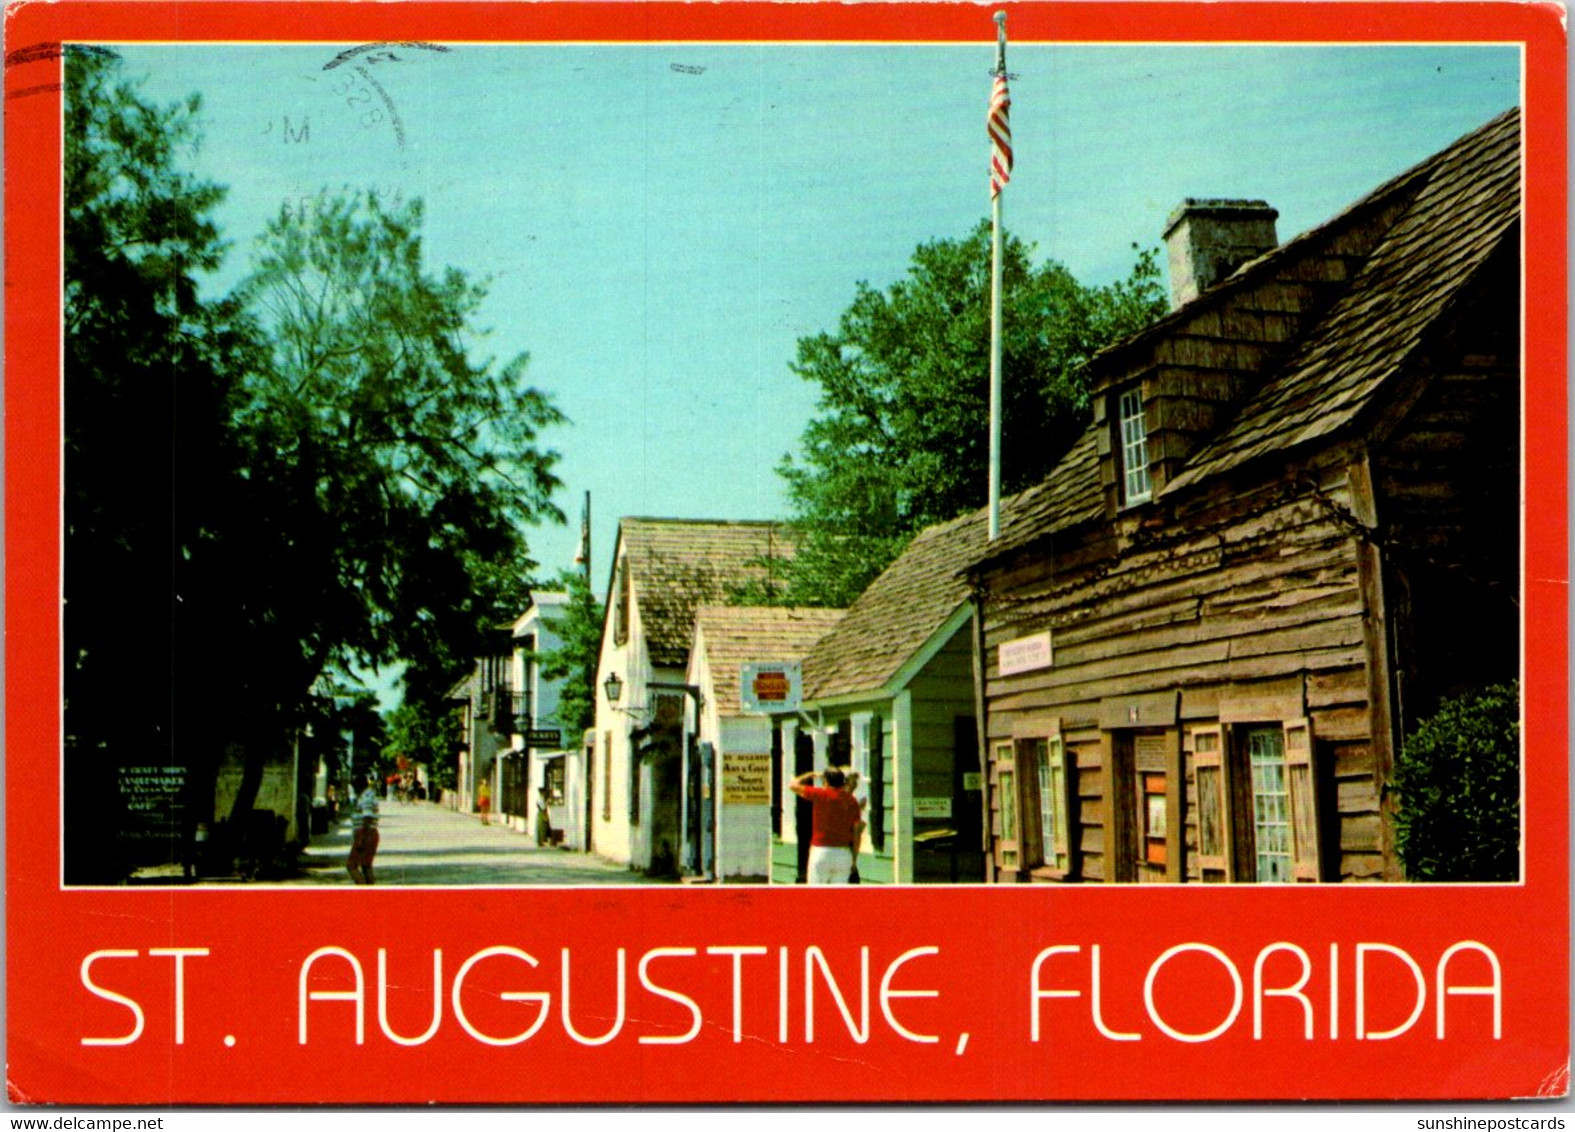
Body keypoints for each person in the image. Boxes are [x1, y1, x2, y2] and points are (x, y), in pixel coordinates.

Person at [789, 766, 863, 884]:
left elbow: (793, 785)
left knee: (817, 895)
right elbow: (856, 834)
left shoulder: (820, 794)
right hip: (843, 853)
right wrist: (853, 860)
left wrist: (810, 774)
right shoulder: (852, 801)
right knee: (838, 897)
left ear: (826, 782)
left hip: (821, 851)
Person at [344, 772, 380, 885]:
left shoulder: (366, 797)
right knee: (366, 866)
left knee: (351, 865)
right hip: (370, 833)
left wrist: (362, 838)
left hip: (365, 833)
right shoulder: (369, 795)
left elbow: (367, 817)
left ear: (359, 785)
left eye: (355, 786)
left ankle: (362, 890)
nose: (354, 789)